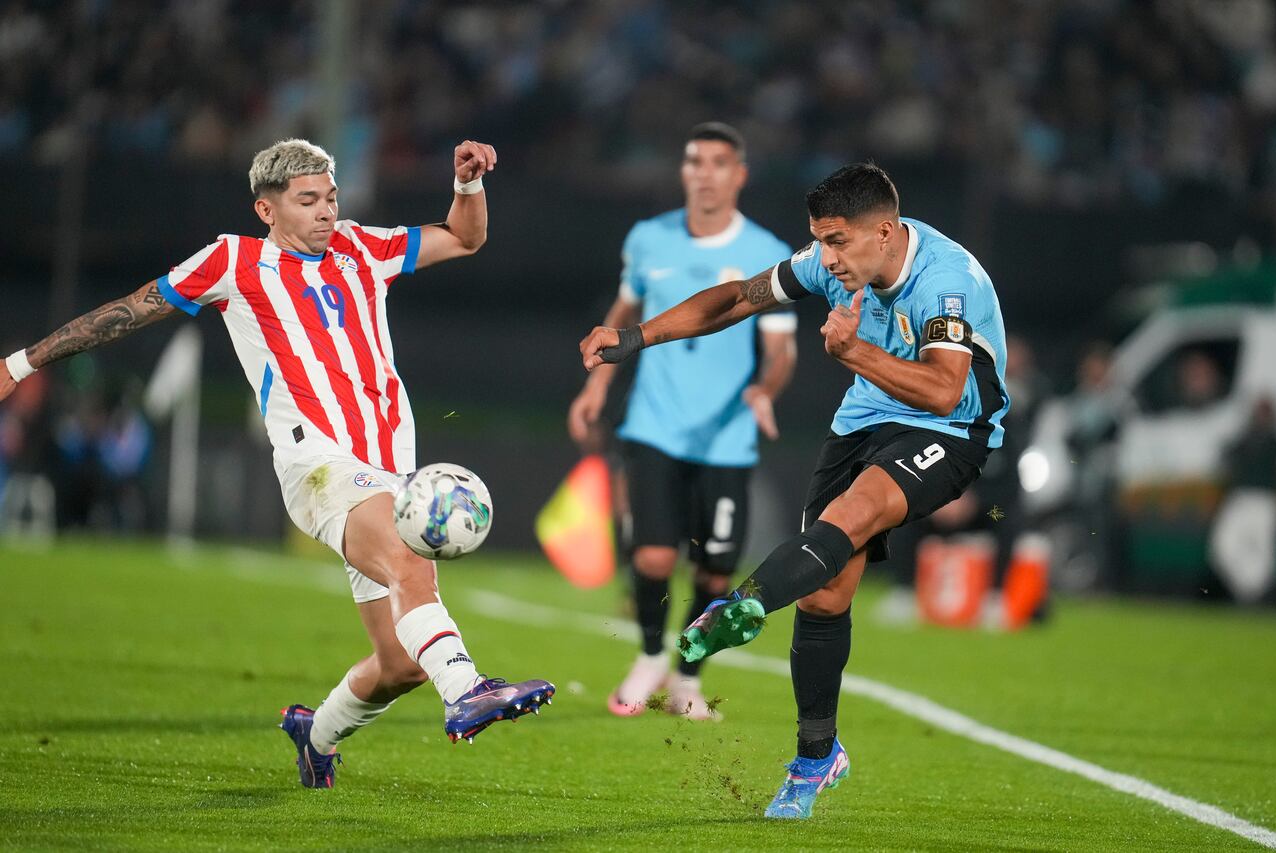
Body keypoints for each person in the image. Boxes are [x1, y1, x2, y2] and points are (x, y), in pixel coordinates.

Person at [0, 138, 554, 789]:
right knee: (411, 567)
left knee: (400, 661)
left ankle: (315, 734)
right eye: (309, 200)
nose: (327, 212)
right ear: (267, 207)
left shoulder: (360, 247)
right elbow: (130, 310)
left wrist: (467, 186)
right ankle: (466, 688)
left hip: (391, 471)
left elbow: (464, 238)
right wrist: (21, 363)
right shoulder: (234, 261)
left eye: (332, 197)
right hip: (320, 465)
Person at [579, 163, 1009, 818]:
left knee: (852, 513)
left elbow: (945, 388)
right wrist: (637, 336)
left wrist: (854, 353)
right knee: (825, 591)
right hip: (864, 422)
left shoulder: (942, 281)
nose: (825, 257)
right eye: (820, 241)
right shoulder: (828, 262)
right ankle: (816, 756)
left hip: (951, 427)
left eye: (837, 241)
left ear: (885, 233)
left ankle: (740, 604)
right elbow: (735, 298)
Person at [567, 122, 797, 721]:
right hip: (654, 426)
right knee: (652, 559)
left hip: (726, 436)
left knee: (716, 570)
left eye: (719, 162)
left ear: (739, 175)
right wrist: (597, 383)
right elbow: (626, 309)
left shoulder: (766, 251)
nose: (705, 173)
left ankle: (687, 678)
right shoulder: (649, 238)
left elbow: (781, 348)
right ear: (684, 171)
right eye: (695, 161)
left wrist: (764, 389)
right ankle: (647, 656)